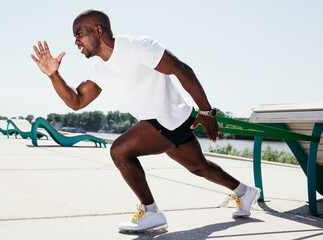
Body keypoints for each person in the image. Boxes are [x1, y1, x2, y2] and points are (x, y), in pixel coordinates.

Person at [30, 9, 260, 233]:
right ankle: (245, 192)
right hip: (168, 123)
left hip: (166, 119)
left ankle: (151, 212)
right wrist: (53, 75)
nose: (76, 42)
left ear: (98, 30)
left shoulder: (135, 46)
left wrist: (207, 111)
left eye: (79, 34)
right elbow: (77, 101)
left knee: (120, 151)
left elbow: (181, 70)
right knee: (200, 167)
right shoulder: (99, 70)